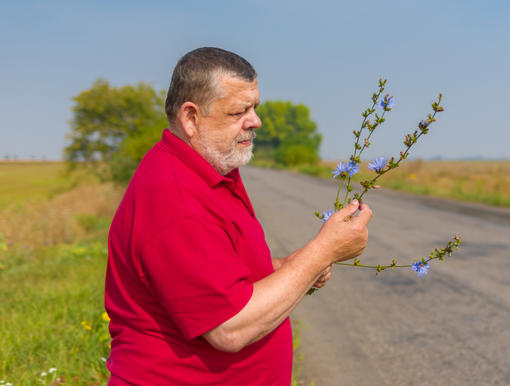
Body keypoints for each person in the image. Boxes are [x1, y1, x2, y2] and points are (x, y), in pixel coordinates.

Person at [104, 47, 372, 385]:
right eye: (238, 111)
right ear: (191, 118)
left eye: (255, 107)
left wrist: (293, 266)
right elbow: (229, 328)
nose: (255, 120)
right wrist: (323, 252)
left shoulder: (211, 168)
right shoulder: (175, 200)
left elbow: (216, 270)